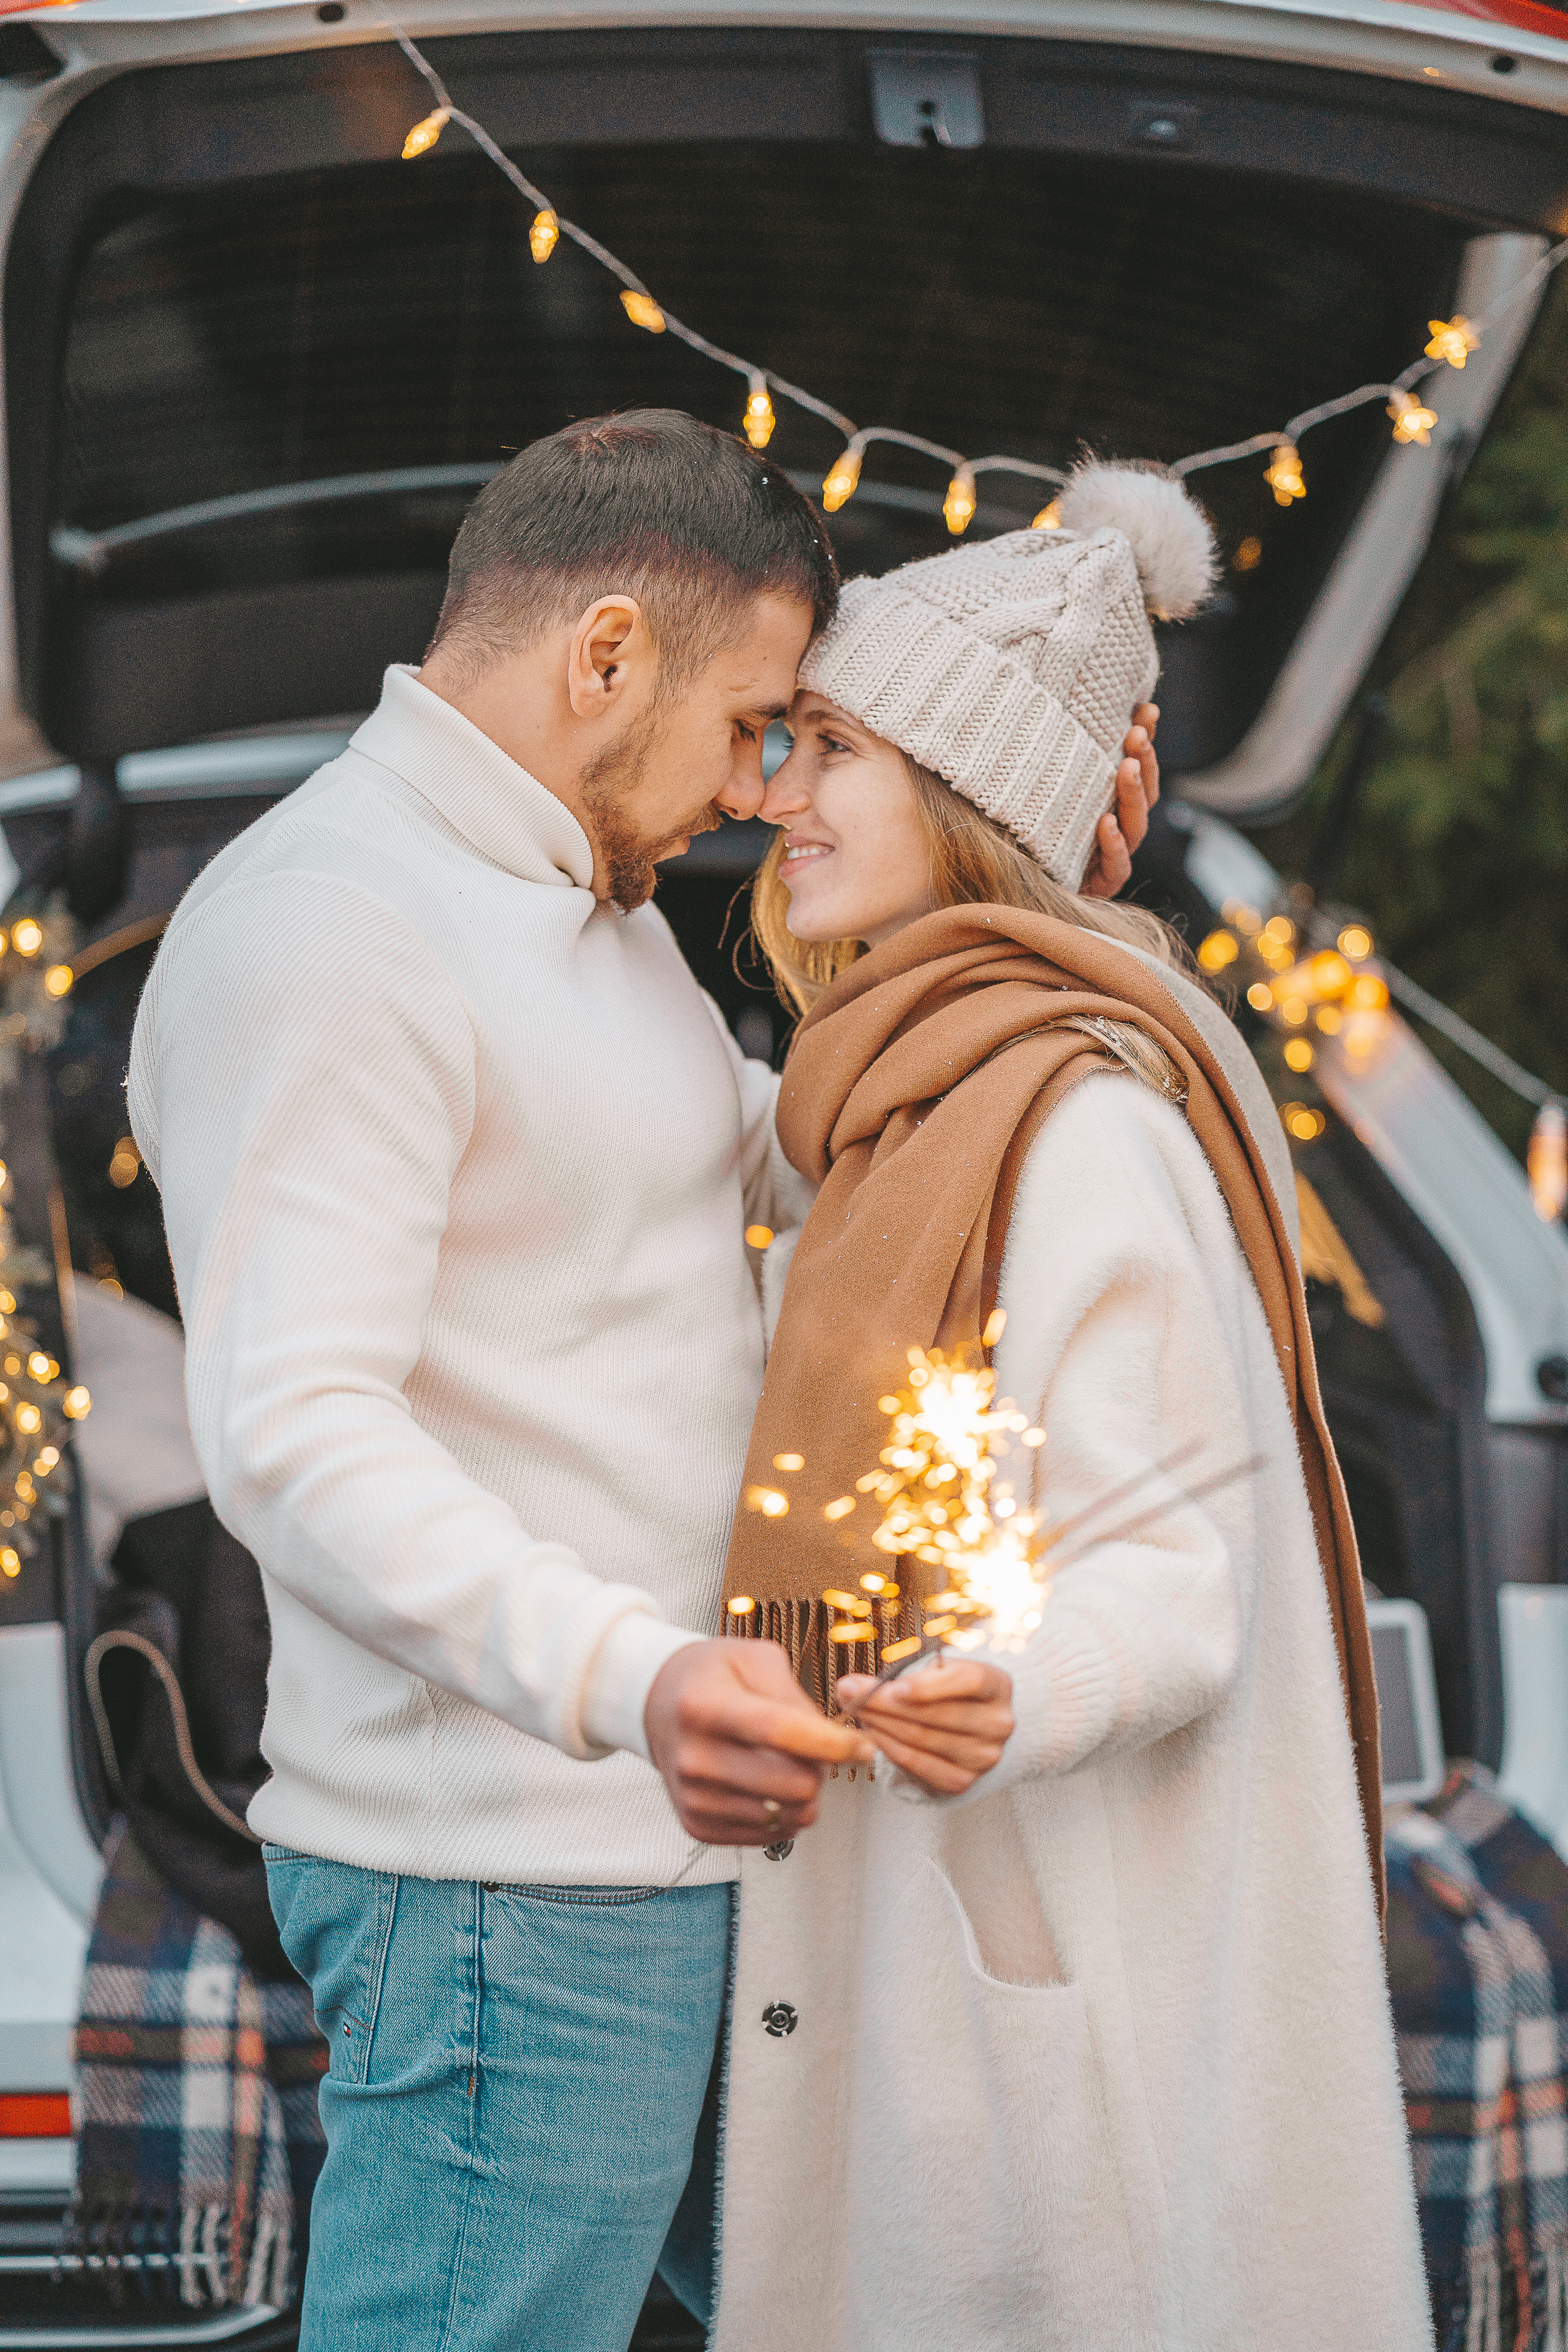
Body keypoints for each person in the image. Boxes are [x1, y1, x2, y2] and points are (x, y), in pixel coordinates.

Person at [125, 405, 1162, 2350]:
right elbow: (294, 1428)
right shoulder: (324, 931)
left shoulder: (575, 907)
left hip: (679, 1849)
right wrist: (641, 1677)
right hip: (510, 1888)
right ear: (607, 653)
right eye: (759, 720)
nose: (766, 782)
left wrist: (1030, 901)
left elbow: (815, 1156)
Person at [710, 462, 1433, 2350]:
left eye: (840, 752)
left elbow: (1178, 1571)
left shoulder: (1076, 1123)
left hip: (1044, 1957)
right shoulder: (898, 1098)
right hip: (943, 1918)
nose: (781, 791)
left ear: (967, 800)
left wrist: (1018, 1689)